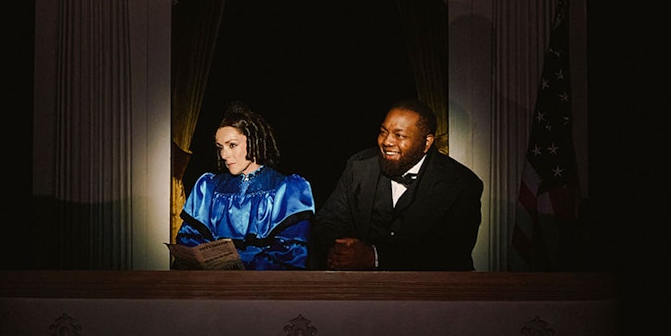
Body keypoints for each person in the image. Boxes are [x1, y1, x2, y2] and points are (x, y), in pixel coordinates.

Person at [311, 99, 483, 271]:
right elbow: (328, 220)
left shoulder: (461, 184)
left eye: (399, 135)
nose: (387, 142)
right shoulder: (359, 166)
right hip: (362, 288)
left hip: (429, 292)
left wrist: (374, 257)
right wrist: (340, 251)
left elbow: (451, 254)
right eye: (383, 132)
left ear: (427, 143)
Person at [174, 101, 315, 270]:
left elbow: (291, 253)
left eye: (232, 145)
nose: (224, 155)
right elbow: (189, 239)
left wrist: (243, 270)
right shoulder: (208, 188)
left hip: (261, 289)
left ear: (254, 141)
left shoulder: (287, 190)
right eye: (220, 147)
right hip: (212, 287)